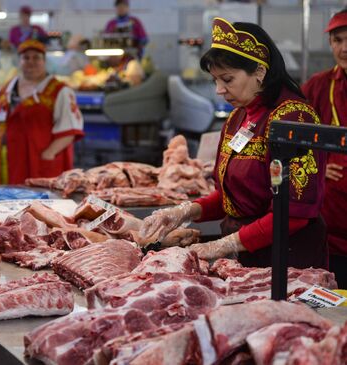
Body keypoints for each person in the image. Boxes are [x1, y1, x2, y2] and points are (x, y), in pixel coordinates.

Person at [139, 17, 327, 269]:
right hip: (245, 256)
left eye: (227, 79)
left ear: (260, 72)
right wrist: (183, 212)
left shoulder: (294, 117)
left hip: (287, 259)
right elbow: (232, 198)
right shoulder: (239, 115)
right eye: (215, 80)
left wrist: (223, 245)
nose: (219, 89)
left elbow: (293, 214)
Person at [0, 39, 84, 185]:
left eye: (36, 57)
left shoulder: (60, 91)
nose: (31, 61)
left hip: (39, 163)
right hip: (5, 163)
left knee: (39, 204)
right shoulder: (6, 90)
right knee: (4, 203)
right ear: (20, 61)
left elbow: (70, 130)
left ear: (44, 61)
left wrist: (49, 154)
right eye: (26, 57)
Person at [302, 9, 347, 287]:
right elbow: (288, 138)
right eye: (338, 40)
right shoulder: (319, 86)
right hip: (332, 225)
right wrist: (316, 165)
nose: (345, 48)